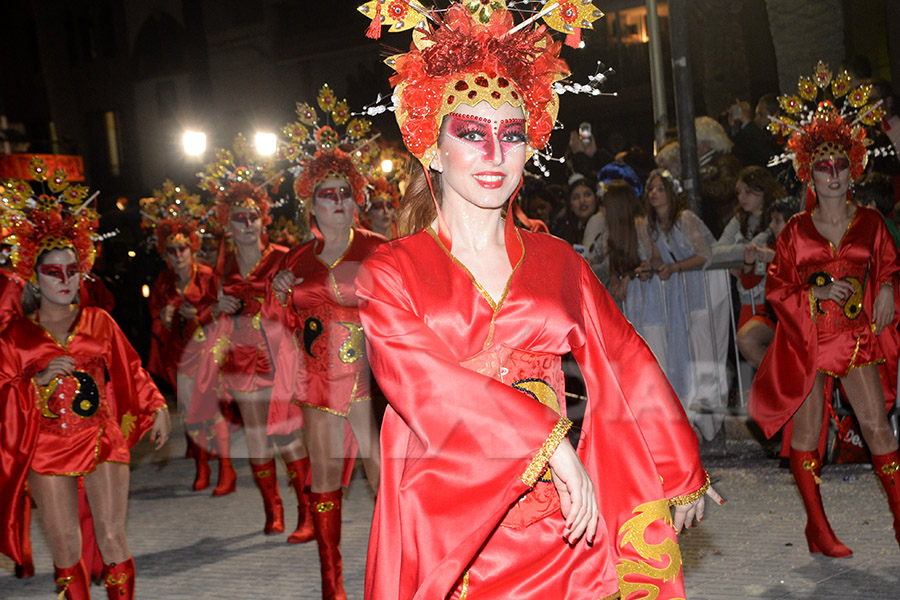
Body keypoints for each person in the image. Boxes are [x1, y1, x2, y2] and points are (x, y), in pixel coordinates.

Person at [355, 4, 719, 599]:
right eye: (471, 133)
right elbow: (423, 384)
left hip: (563, 524)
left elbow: (624, 357)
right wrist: (547, 441)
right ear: (432, 145)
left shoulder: (558, 262)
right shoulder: (391, 272)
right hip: (451, 524)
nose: (495, 153)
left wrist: (680, 466)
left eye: (512, 133)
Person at [0, 161, 171, 599]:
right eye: (53, 272)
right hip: (45, 444)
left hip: (102, 436)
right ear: (33, 279)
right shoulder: (16, 334)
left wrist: (158, 406)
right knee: (65, 546)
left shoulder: (99, 320)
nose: (65, 280)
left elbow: (132, 368)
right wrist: (33, 385)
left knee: (113, 539)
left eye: (72, 270)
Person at [749, 62, 900, 557]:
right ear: (808, 171)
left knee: (877, 427)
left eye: (839, 165)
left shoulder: (872, 221)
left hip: (857, 338)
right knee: (808, 435)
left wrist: (887, 289)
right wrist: (812, 296)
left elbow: (889, 265)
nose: (832, 175)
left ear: (852, 167)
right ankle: (818, 528)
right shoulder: (794, 229)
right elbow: (777, 287)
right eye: (823, 166)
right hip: (811, 341)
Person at [268, 88, 385, 599]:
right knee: (325, 483)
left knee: (385, 479)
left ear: (357, 196)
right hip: (318, 384)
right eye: (326, 194)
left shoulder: (381, 250)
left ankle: (397, 574)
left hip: (375, 382)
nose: (337, 202)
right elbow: (275, 326)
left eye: (344, 192)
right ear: (310, 203)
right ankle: (331, 585)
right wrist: (276, 295)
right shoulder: (296, 259)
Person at [192, 140, 310, 538]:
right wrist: (217, 308)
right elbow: (202, 315)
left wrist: (285, 288)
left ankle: (307, 510)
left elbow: (305, 301)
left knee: (286, 433)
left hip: (277, 358)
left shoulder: (281, 257)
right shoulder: (219, 269)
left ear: (263, 221)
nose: (245, 224)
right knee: (257, 435)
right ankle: (273, 509)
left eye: (252, 218)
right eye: (238, 218)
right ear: (228, 223)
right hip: (240, 360)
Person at [141, 183, 230, 494]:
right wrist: (164, 319)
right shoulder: (163, 282)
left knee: (211, 411)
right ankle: (202, 466)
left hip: (208, 352)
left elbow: (224, 312)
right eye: (171, 250)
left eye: (183, 249)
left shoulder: (206, 276)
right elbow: (156, 321)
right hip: (179, 355)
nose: (178, 255)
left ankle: (226, 469)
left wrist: (201, 315)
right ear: (164, 253)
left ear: (192, 248)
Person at [645, 169, 730, 447]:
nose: (654, 193)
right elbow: (658, 258)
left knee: (706, 352)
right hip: (681, 294)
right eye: (651, 189)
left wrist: (675, 267)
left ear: (671, 192)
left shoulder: (684, 218)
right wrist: (651, 267)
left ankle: (713, 422)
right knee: (687, 354)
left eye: (660, 188)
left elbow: (704, 253)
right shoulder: (655, 226)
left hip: (702, 289)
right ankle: (694, 419)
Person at [712, 166, 785, 331]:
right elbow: (716, 253)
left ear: (763, 190)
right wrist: (747, 254)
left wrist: (743, 255)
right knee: (747, 344)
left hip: (774, 299)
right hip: (747, 296)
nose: (741, 197)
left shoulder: (779, 216)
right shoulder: (739, 218)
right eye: (738, 192)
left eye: (748, 191)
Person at [736, 196, 800, 369]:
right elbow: (749, 283)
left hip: (801, 313)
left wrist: (777, 260)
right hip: (776, 313)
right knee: (746, 338)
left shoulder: (806, 247)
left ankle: (785, 381)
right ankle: (778, 380)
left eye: (777, 220)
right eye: (772, 220)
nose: (771, 225)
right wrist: (749, 263)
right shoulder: (771, 246)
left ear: (792, 222)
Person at [550, 173, 599, 246]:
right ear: (570, 205)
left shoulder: (600, 221)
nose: (582, 201)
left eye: (587, 195)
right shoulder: (568, 230)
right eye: (575, 197)